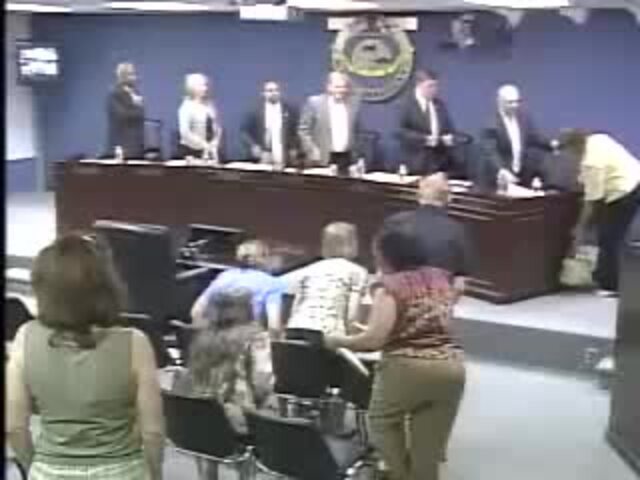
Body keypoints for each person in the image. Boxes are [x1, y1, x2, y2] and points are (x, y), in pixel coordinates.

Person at [6, 234, 165, 480]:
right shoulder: (135, 344)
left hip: (49, 470)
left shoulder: (24, 338)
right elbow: (152, 432)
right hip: (122, 471)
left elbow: (15, 426)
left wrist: (34, 469)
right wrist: (154, 474)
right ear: (106, 287)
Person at [325, 214, 466, 480]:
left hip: (406, 368)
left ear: (387, 254)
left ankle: (399, 475)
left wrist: (338, 341)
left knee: (381, 422)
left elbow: (374, 341)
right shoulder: (440, 278)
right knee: (428, 451)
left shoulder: (390, 287)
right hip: (451, 367)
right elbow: (423, 320)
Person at [172, 290, 274, 480]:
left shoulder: (201, 339)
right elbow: (263, 383)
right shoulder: (256, 338)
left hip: (197, 421)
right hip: (238, 424)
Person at [558, 129, 640, 294]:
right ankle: (605, 275)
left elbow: (592, 202)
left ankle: (610, 286)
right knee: (613, 236)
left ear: (575, 147)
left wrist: (580, 228)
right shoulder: (599, 139)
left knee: (609, 240)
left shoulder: (591, 163)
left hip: (623, 193)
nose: (569, 156)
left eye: (569, 151)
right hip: (636, 179)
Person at [391, 172, 472, 298]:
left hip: (399, 298)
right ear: (448, 199)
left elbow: (382, 272)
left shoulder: (395, 223)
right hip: (436, 302)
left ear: (418, 197)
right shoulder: (457, 231)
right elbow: (460, 285)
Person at [286, 222, 369, 336]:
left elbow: (296, 305)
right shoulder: (357, 271)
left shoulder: (309, 269)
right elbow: (351, 315)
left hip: (296, 326)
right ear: (351, 244)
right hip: (328, 331)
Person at [191, 239, 287, 333]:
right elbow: (273, 325)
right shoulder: (272, 283)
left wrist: (203, 334)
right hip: (246, 337)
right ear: (264, 258)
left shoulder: (224, 276)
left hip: (213, 334)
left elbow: (196, 311)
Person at [477, 84, 557, 189]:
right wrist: (501, 169)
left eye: (517, 101)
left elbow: (533, 137)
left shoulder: (523, 118)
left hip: (521, 174)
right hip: (498, 178)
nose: (515, 105)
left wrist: (551, 144)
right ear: (500, 102)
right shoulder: (491, 123)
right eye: (510, 102)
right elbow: (490, 152)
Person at [396, 69, 458, 176]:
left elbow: (449, 129)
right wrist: (425, 139)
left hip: (439, 162)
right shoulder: (405, 105)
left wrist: (449, 138)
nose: (434, 90)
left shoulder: (439, 104)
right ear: (419, 85)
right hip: (416, 162)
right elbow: (400, 131)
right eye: (430, 86)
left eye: (436, 86)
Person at [298, 71, 362, 168]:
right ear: (329, 87)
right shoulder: (315, 103)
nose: (341, 90)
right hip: (322, 156)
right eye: (337, 87)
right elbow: (303, 130)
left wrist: (358, 155)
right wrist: (311, 150)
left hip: (346, 156)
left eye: (344, 87)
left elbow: (357, 131)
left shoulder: (353, 104)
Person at [240, 80, 299, 167]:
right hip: (264, 154)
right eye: (270, 90)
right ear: (263, 93)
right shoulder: (255, 111)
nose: (274, 93)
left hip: (284, 154)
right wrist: (253, 146)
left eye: (276, 90)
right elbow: (244, 131)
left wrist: (294, 148)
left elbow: (296, 130)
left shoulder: (289, 110)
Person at [178, 73, 222, 162]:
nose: (205, 88)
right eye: (202, 85)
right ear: (193, 88)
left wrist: (215, 143)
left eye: (206, 85)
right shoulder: (186, 107)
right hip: (192, 152)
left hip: (210, 152)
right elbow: (185, 133)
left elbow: (217, 126)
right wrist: (203, 144)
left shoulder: (209, 105)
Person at [106, 62, 145, 159]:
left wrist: (138, 107)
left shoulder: (136, 93)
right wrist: (137, 107)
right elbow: (122, 116)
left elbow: (142, 114)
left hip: (137, 147)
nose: (135, 77)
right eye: (131, 74)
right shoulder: (114, 94)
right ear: (123, 76)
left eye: (134, 74)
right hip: (122, 147)